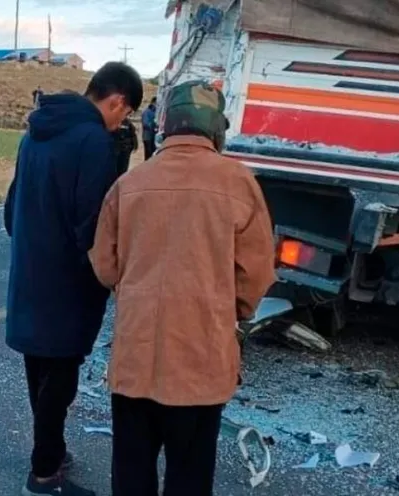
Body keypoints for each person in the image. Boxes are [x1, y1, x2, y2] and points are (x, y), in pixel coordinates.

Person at [88, 81, 276, 496]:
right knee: (190, 476)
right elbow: (256, 275)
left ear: (166, 124)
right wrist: (232, 312)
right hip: (201, 362)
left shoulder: (130, 185)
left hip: (136, 359)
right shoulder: (240, 184)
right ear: (215, 128)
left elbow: (104, 266)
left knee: (131, 473)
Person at [4, 61, 143, 496]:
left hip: (29, 271)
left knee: (39, 371)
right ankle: (44, 474)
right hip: (69, 282)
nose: (124, 122)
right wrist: (111, 274)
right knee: (60, 378)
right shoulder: (92, 141)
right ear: (117, 100)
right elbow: (94, 223)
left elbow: (11, 211)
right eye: (127, 113)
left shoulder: (35, 133)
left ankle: (52, 451)